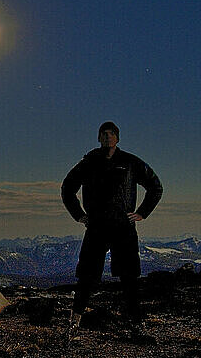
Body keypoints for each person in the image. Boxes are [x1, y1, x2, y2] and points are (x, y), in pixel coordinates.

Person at [61, 121, 162, 340]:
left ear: (117, 138)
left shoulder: (130, 162)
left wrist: (142, 212)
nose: (107, 137)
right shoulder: (88, 163)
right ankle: (73, 326)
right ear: (98, 138)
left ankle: (136, 325)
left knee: (129, 278)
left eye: (111, 134)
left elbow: (155, 186)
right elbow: (67, 188)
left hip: (123, 228)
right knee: (86, 277)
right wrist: (79, 214)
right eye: (103, 134)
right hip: (96, 227)